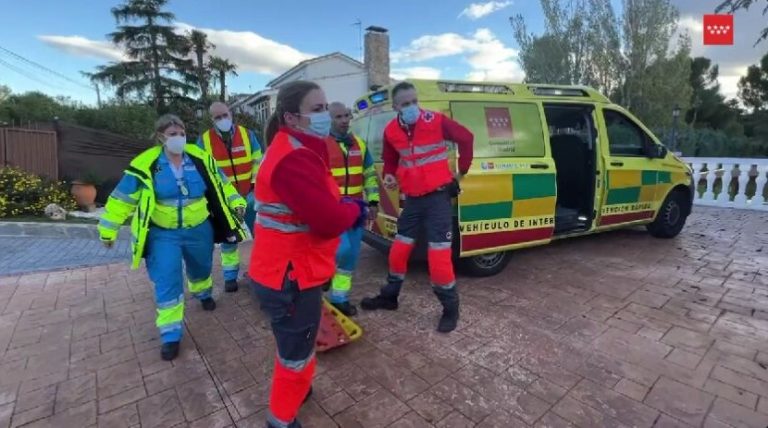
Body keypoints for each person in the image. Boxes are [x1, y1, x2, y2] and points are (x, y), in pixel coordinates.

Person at [249, 81, 366, 428]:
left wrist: (339, 204)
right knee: (295, 356)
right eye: (316, 109)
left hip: (287, 272)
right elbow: (327, 221)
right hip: (290, 277)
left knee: (295, 344)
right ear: (291, 116)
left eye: (324, 107)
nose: (325, 115)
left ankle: (298, 390)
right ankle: (280, 420)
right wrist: (353, 211)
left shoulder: (295, 146)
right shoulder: (294, 157)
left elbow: (312, 205)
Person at [99, 114, 247, 361]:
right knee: (167, 278)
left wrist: (237, 202)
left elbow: (223, 184)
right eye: (172, 134)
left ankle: (202, 291)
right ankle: (170, 333)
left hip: (199, 228)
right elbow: (123, 198)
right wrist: (108, 229)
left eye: (181, 133)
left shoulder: (199, 158)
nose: (178, 138)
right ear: (160, 137)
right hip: (162, 234)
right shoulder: (148, 164)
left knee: (200, 267)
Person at [360, 81, 474, 333]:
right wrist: (389, 173)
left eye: (414, 101)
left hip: (437, 199)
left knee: (439, 257)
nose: (412, 107)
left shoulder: (435, 120)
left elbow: (466, 138)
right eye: (406, 104)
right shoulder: (391, 130)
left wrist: (461, 172)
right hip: (412, 199)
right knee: (398, 251)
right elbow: (390, 158)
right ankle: (390, 297)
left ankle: (450, 308)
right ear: (396, 106)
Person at [196, 101, 263, 293]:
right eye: (217, 117)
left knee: (260, 235)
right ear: (212, 119)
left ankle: (260, 271)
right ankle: (230, 277)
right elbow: (203, 170)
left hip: (249, 194)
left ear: (231, 114)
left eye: (224, 115)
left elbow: (258, 160)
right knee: (229, 239)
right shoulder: (204, 141)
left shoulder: (247, 135)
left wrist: (254, 185)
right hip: (224, 199)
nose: (222, 119)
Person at [323, 102, 380, 316]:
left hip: (356, 209)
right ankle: (324, 276)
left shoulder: (360, 145)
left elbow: (370, 176)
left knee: (351, 255)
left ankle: (340, 299)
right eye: (339, 116)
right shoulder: (320, 145)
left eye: (347, 115)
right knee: (341, 249)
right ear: (330, 119)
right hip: (332, 209)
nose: (345, 120)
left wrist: (373, 201)